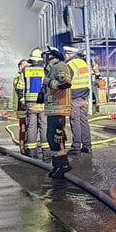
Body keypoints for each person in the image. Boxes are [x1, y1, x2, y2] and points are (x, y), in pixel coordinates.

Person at [42, 46, 73, 178]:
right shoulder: (52, 68)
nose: (45, 61)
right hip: (53, 108)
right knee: (52, 138)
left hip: (58, 108)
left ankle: (63, 165)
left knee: (56, 138)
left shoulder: (60, 66)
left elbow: (65, 83)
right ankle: (57, 164)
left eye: (46, 58)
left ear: (52, 57)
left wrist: (48, 82)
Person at [64, 47, 92, 155]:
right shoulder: (83, 63)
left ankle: (76, 147)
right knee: (84, 121)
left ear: (69, 54)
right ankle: (87, 146)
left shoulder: (70, 65)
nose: (65, 56)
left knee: (75, 121)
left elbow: (66, 82)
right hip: (84, 97)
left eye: (66, 54)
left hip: (74, 96)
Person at [23, 48, 46, 159]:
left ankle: (31, 152)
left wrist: (23, 100)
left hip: (30, 103)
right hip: (43, 103)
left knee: (31, 126)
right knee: (44, 126)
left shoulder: (25, 71)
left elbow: (20, 87)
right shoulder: (45, 70)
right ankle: (46, 151)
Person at [13, 58, 30, 154]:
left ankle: (28, 146)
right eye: (25, 66)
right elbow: (19, 89)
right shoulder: (18, 76)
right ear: (20, 67)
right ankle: (23, 148)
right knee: (23, 127)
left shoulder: (25, 75)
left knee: (29, 127)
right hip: (22, 106)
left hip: (27, 105)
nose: (27, 67)